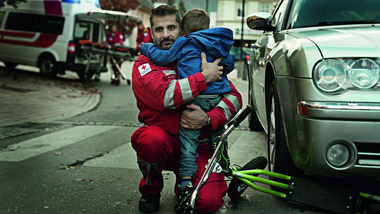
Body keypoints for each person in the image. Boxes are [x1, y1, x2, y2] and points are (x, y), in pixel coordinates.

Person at [131, 5, 242, 213]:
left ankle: (203, 182)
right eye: (158, 29)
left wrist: (209, 118)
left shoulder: (202, 54)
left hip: (199, 145)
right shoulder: (144, 64)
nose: (166, 35)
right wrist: (203, 78)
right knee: (149, 140)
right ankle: (151, 190)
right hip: (165, 143)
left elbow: (234, 97)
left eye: (171, 27)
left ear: (182, 30)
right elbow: (165, 96)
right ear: (151, 32)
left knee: (208, 204)